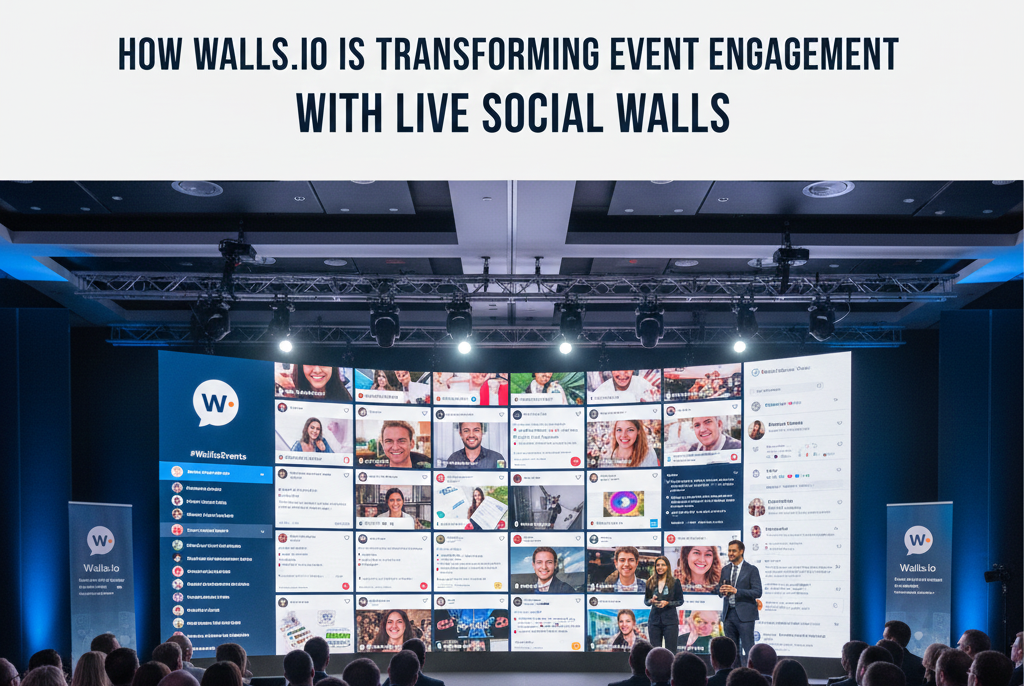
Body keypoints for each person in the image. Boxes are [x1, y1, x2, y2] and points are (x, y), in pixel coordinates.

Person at [717, 540, 761, 667]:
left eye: (733, 551)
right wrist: (720, 591)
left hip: (745, 616)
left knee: (749, 649)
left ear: (741, 551)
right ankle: (735, 675)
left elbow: (757, 592)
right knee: (732, 651)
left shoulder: (751, 570)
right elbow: (718, 589)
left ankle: (752, 675)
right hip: (728, 615)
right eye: (729, 550)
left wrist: (736, 591)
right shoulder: (725, 569)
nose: (730, 553)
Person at [645, 555, 683, 652]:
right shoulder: (650, 582)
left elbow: (680, 601)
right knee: (654, 652)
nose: (660, 567)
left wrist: (668, 603)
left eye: (663, 565)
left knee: (671, 651)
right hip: (654, 622)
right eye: (658, 565)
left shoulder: (675, 582)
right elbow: (646, 601)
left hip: (670, 622)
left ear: (667, 567)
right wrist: (651, 601)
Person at [884, 621, 924, 686]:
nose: (882, 641)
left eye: (885, 638)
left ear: (893, 639)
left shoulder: (882, 663)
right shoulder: (920, 664)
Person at [594, 370, 660, 403]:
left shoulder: (644, 385)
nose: (622, 374)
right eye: (617, 368)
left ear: (633, 370)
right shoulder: (601, 392)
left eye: (627, 368)